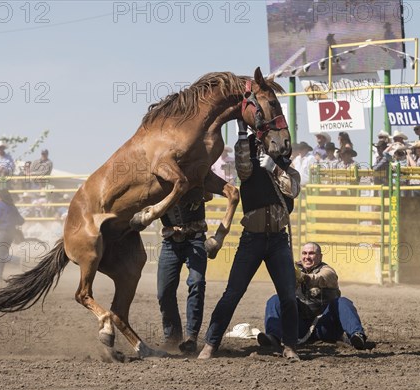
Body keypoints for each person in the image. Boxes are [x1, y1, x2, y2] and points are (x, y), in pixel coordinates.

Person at [198, 121, 301, 361]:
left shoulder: (286, 169)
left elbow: (293, 189)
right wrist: (242, 135)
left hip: (277, 240)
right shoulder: (249, 162)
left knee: (287, 295)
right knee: (233, 293)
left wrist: (275, 168)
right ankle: (210, 343)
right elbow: (243, 167)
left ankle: (290, 346)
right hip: (253, 239)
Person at [257, 242, 368, 351]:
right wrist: (288, 278)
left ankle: (357, 336)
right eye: (304, 253)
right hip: (298, 327)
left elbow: (321, 278)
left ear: (320, 256)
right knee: (276, 299)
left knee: (343, 301)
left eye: (311, 253)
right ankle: (273, 338)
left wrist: (303, 277)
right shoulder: (292, 270)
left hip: (325, 327)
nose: (307, 257)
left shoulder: (328, 271)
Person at [157, 199, 208, 353]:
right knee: (164, 292)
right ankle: (173, 337)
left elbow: (208, 194)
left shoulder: (195, 176)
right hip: (170, 242)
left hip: (195, 239)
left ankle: (191, 337)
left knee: (197, 283)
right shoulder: (160, 183)